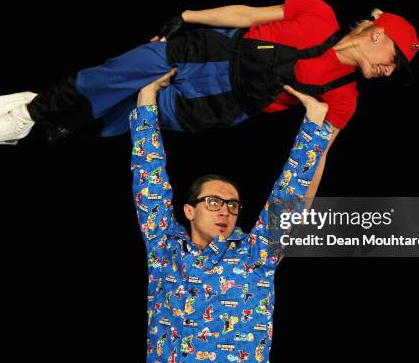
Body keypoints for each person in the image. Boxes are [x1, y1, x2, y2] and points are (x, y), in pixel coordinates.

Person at [0, 0, 419, 193]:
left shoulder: (344, 98)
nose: (388, 71)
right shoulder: (319, 14)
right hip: (205, 53)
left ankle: (34, 113)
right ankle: (29, 112)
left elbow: (317, 158)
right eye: (394, 59)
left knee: (111, 121)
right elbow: (245, 14)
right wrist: (185, 15)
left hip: (213, 105)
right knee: (107, 77)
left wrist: (292, 215)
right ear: (379, 35)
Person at [131, 68, 331, 361]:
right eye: (213, 201)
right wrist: (147, 95)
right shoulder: (164, 248)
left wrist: (313, 120)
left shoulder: (257, 254)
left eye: (232, 205)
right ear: (189, 209)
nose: (224, 210)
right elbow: (149, 176)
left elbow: (290, 194)